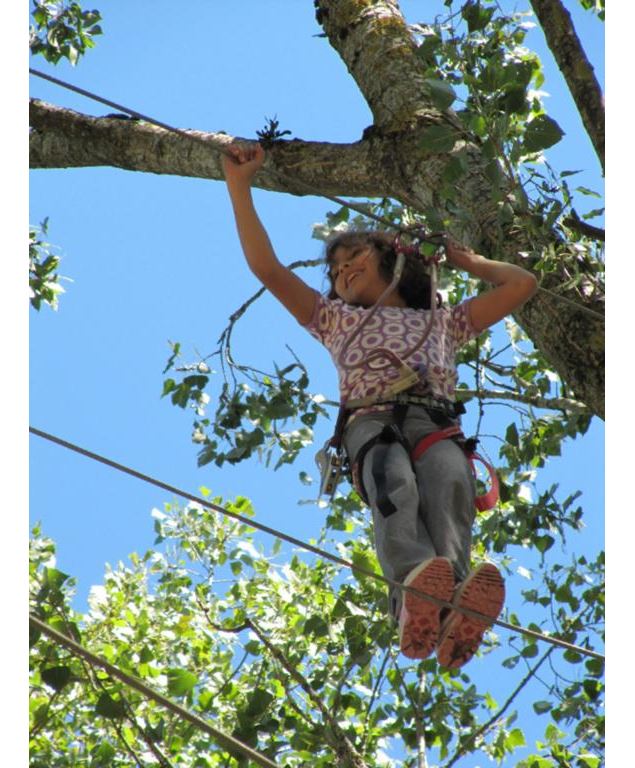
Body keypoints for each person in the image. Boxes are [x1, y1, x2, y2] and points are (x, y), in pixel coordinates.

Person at [222, 142, 538, 668]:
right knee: (396, 487)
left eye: (355, 258)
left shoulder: (443, 322)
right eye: (336, 269)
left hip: (436, 423)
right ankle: (413, 591)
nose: (342, 271)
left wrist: (465, 260)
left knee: (451, 488)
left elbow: (520, 284)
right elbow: (268, 269)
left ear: (393, 263)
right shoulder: (335, 319)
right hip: (373, 420)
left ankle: (453, 602)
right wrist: (240, 187)